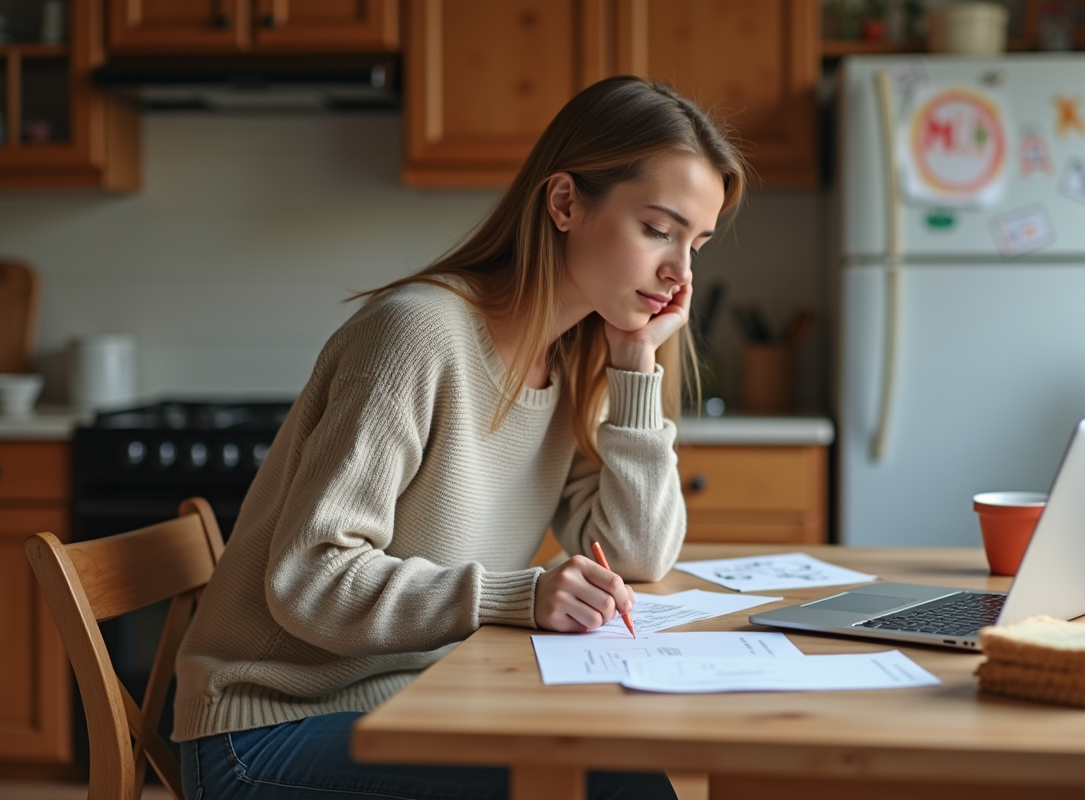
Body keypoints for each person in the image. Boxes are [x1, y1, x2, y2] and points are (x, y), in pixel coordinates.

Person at [172, 75, 749, 800]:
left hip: (417, 697)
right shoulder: (418, 334)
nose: (680, 274)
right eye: (658, 229)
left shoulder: (574, 357)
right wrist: (518, 596)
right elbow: (309, 579)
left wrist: (635, 367)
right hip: (267, 731)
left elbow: (636, 555)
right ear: (566, 202)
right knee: (614, 790)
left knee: (627, 774)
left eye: (696, 243)